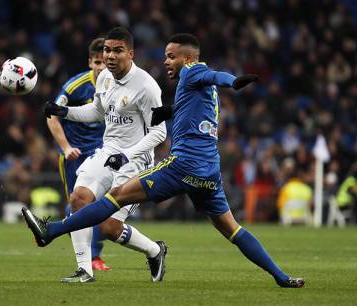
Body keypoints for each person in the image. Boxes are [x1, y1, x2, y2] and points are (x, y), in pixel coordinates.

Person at [23, 33, 305, 288]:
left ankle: (52, 230)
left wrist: (233, 81)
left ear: (189, 58)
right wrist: (167, 111)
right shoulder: (194, 91)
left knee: (116, 197)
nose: (166, 61)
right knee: (233, 229)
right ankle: (282, 277)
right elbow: (190, 106)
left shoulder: (193, 72)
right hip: (209, 172)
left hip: (183, 165)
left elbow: (213, 75)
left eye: (172, 56)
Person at [44, 27, 168, 283]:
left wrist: (126, 155)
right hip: (108, 151)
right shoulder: (104, 78)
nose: (110, 56)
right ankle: (84, 270)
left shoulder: (147, 87)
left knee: (108, 227)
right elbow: (97, 112)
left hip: (136, 160)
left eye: (117, 50)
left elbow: (159, 133)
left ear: (131, 54)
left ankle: (155, 250)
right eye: (107, 50)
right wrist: (64, 112)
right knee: (78, 198)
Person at [46, 37, 110, 272]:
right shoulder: (75, 86)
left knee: (104, 205)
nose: (102, 67)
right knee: (78, 205)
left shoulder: (118, 84)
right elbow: (51, 114)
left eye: (105, 62)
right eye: (97, 62)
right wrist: (65, 147)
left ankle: (94, 256)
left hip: (103, 153)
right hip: (75, 154)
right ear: (89, 63)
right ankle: (88, 258)